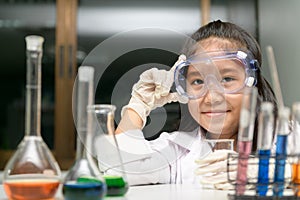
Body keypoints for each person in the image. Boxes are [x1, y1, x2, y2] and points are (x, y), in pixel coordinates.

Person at [112, 20, 277, 188]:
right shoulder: (177, 149)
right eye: (198, 81)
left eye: (227, 79)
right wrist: (138, 105)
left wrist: (268, 171)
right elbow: (116, 170)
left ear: (252, 82)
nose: (212, 97)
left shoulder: (285, 137)